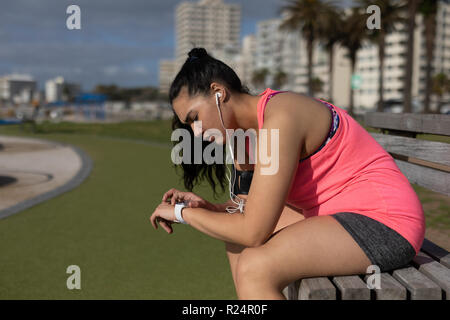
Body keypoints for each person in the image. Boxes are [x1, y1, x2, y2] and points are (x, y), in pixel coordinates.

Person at [150, 47, 425, 300]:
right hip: (333, 212)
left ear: (218, 92)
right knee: (235, 241)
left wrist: (180, 214)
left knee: (255, 267)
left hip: (385, 222)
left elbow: (253, 232)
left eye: (195, 118)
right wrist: (211, 208)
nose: (196, 133)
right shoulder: (242, 139)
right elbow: (245, 210)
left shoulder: (281, 117)